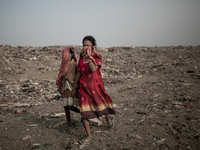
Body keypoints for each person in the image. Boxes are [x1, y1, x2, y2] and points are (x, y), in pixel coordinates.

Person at [72, 35, 116, 143]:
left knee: (100, 105)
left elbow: (93, 69)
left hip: (95, 87)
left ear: (92, 46)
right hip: (84, 87)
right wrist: (74, 87)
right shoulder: (81, 58)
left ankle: (108, 118)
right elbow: (79, 72)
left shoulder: (97, 56)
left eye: (88, 45)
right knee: (84, 112)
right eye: (84, 45)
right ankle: (89, 135)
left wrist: (89, 58)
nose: (85, 47)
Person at [56, 46, 80, 130]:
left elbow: (78, 76)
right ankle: (70, 125)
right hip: (64, 87)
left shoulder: (74, 64)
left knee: (70, 106)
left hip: (71, 87)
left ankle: (82, 113)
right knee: (66, 107)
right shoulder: (63, 65)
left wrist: (76, 87)